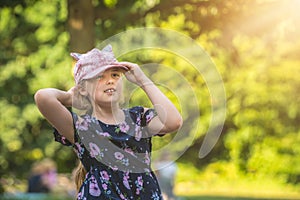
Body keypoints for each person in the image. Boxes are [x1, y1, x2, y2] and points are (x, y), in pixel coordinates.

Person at [34, 44, 182, 200]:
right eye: (100, 77)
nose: (110, 81)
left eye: (115, 75)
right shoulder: (83, 127)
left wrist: (142, 80)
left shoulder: (138, 118)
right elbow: (43, 97)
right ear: (83, 88)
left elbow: (174, 121)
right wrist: (70, 97)